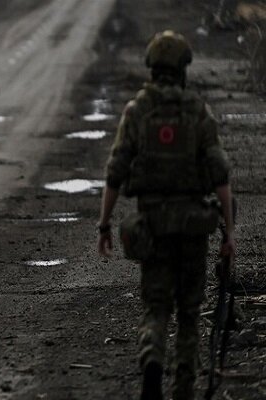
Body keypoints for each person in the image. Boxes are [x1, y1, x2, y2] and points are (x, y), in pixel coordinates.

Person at [97, 31, 235, 400]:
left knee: (156, 306)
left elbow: (114, 173)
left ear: (153, 68)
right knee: (189, 314)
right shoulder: (198, 111)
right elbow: (220, 176)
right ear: (183, 69)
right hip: (192, 229)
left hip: (153, 226)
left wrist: (104, 225)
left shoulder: (137, 111)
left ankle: (153, 357)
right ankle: (183, 389)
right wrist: (230, 234)